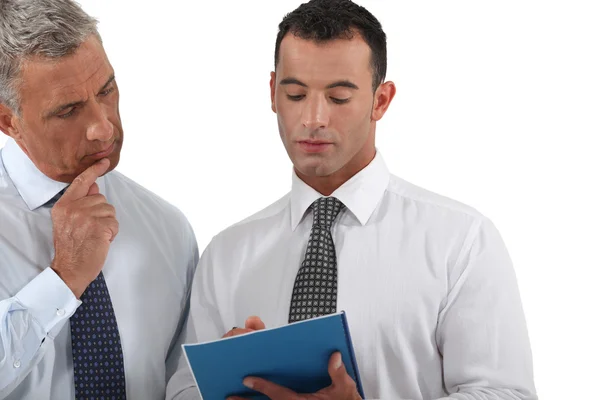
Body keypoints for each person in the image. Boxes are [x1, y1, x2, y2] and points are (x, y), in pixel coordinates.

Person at [182, 0, 538, 399]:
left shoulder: (461, 242)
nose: (313, 118)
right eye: (296, 94)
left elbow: (504, 393)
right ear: (272, 92)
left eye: (338, 98)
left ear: (380, 101)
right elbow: (182, 391)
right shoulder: (227, 254)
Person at [0, 0, 198, 399]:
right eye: (68, 110)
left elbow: (182, 383)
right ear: (8, 121)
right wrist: (64, 278)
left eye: (106, 90)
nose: (102, 126)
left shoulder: (167, 228)